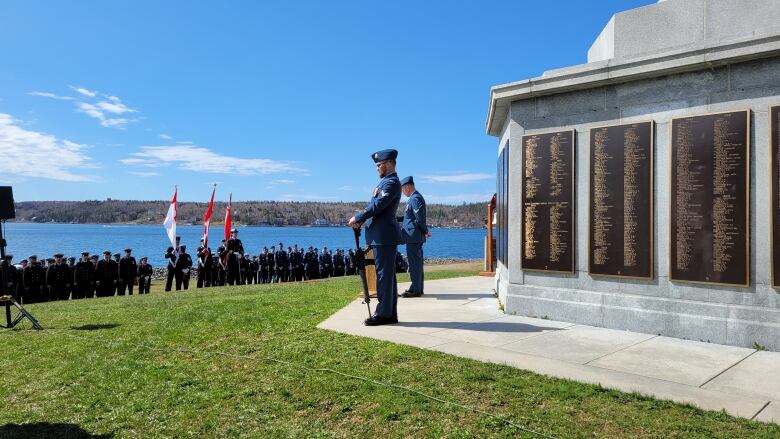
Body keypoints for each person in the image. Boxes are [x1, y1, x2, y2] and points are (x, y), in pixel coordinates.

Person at [348, 149, 402, 326]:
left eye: (379, 165)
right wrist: (364, 221)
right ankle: (389, 313)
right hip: (381, 236)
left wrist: (359, 217)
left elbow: (379, 205)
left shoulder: (391, 182)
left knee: (384, 276)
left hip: (384, 237)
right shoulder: (386, 182)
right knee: (385, 276)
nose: (377, 168)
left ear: (388, 164)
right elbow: (377, 207)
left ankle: (384, 314)